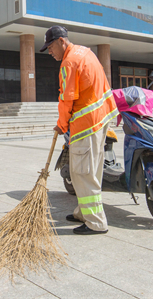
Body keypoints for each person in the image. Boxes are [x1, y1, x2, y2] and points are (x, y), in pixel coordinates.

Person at [41, 25, 118, 235]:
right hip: (101, 119)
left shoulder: (69, 62)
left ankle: (95, 222)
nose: (49, 51)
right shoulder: (85, 52)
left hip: (87, 125)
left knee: (82, 173)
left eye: (50, 47)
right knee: (91, 170)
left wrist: (62, 125)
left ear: (61, 42)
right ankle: (83, 211)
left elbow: (67, 99)